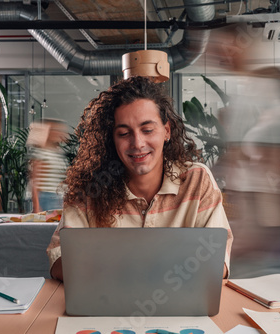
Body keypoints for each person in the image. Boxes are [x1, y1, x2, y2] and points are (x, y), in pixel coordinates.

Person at [46, 76, 233, 281]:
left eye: (148, 130)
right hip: (107, 306)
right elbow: (59, 262)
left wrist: (111, 264)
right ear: (112, 140)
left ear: (166, 131)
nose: (138, 143)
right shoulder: (90, 188)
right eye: (124, 133)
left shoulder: (196, 181)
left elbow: (218, 263)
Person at [29, 119, 68, 212]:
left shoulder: (59, 152)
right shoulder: (40, 153)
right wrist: (36, 207)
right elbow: (35, 182)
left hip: (59, 197)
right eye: (55, 130)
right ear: (48, 133)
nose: (59, 133)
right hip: (46, 197)